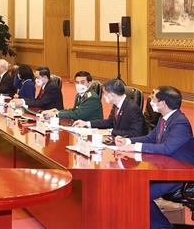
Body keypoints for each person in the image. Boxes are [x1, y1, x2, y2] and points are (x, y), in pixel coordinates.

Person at [115, 86, 194, 229]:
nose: (151, 100)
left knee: (138, 194)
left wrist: (135, 147)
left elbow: (167, 148)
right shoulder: (165, 118)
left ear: (163, 103)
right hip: (165, 169)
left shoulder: (180, 122)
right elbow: (151, 138)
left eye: (154, 98)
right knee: (132, 187)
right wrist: (127, 141)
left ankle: (163, 227)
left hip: (179, 174)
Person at [73, 78, 145, 137]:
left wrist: (110, 131)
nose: (104, 96)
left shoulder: (132, 108)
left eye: (105, 94)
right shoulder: (116, 104)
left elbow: (135, 133)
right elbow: (110, 122)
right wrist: (87, 123)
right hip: (118, 139)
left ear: (112, 95)